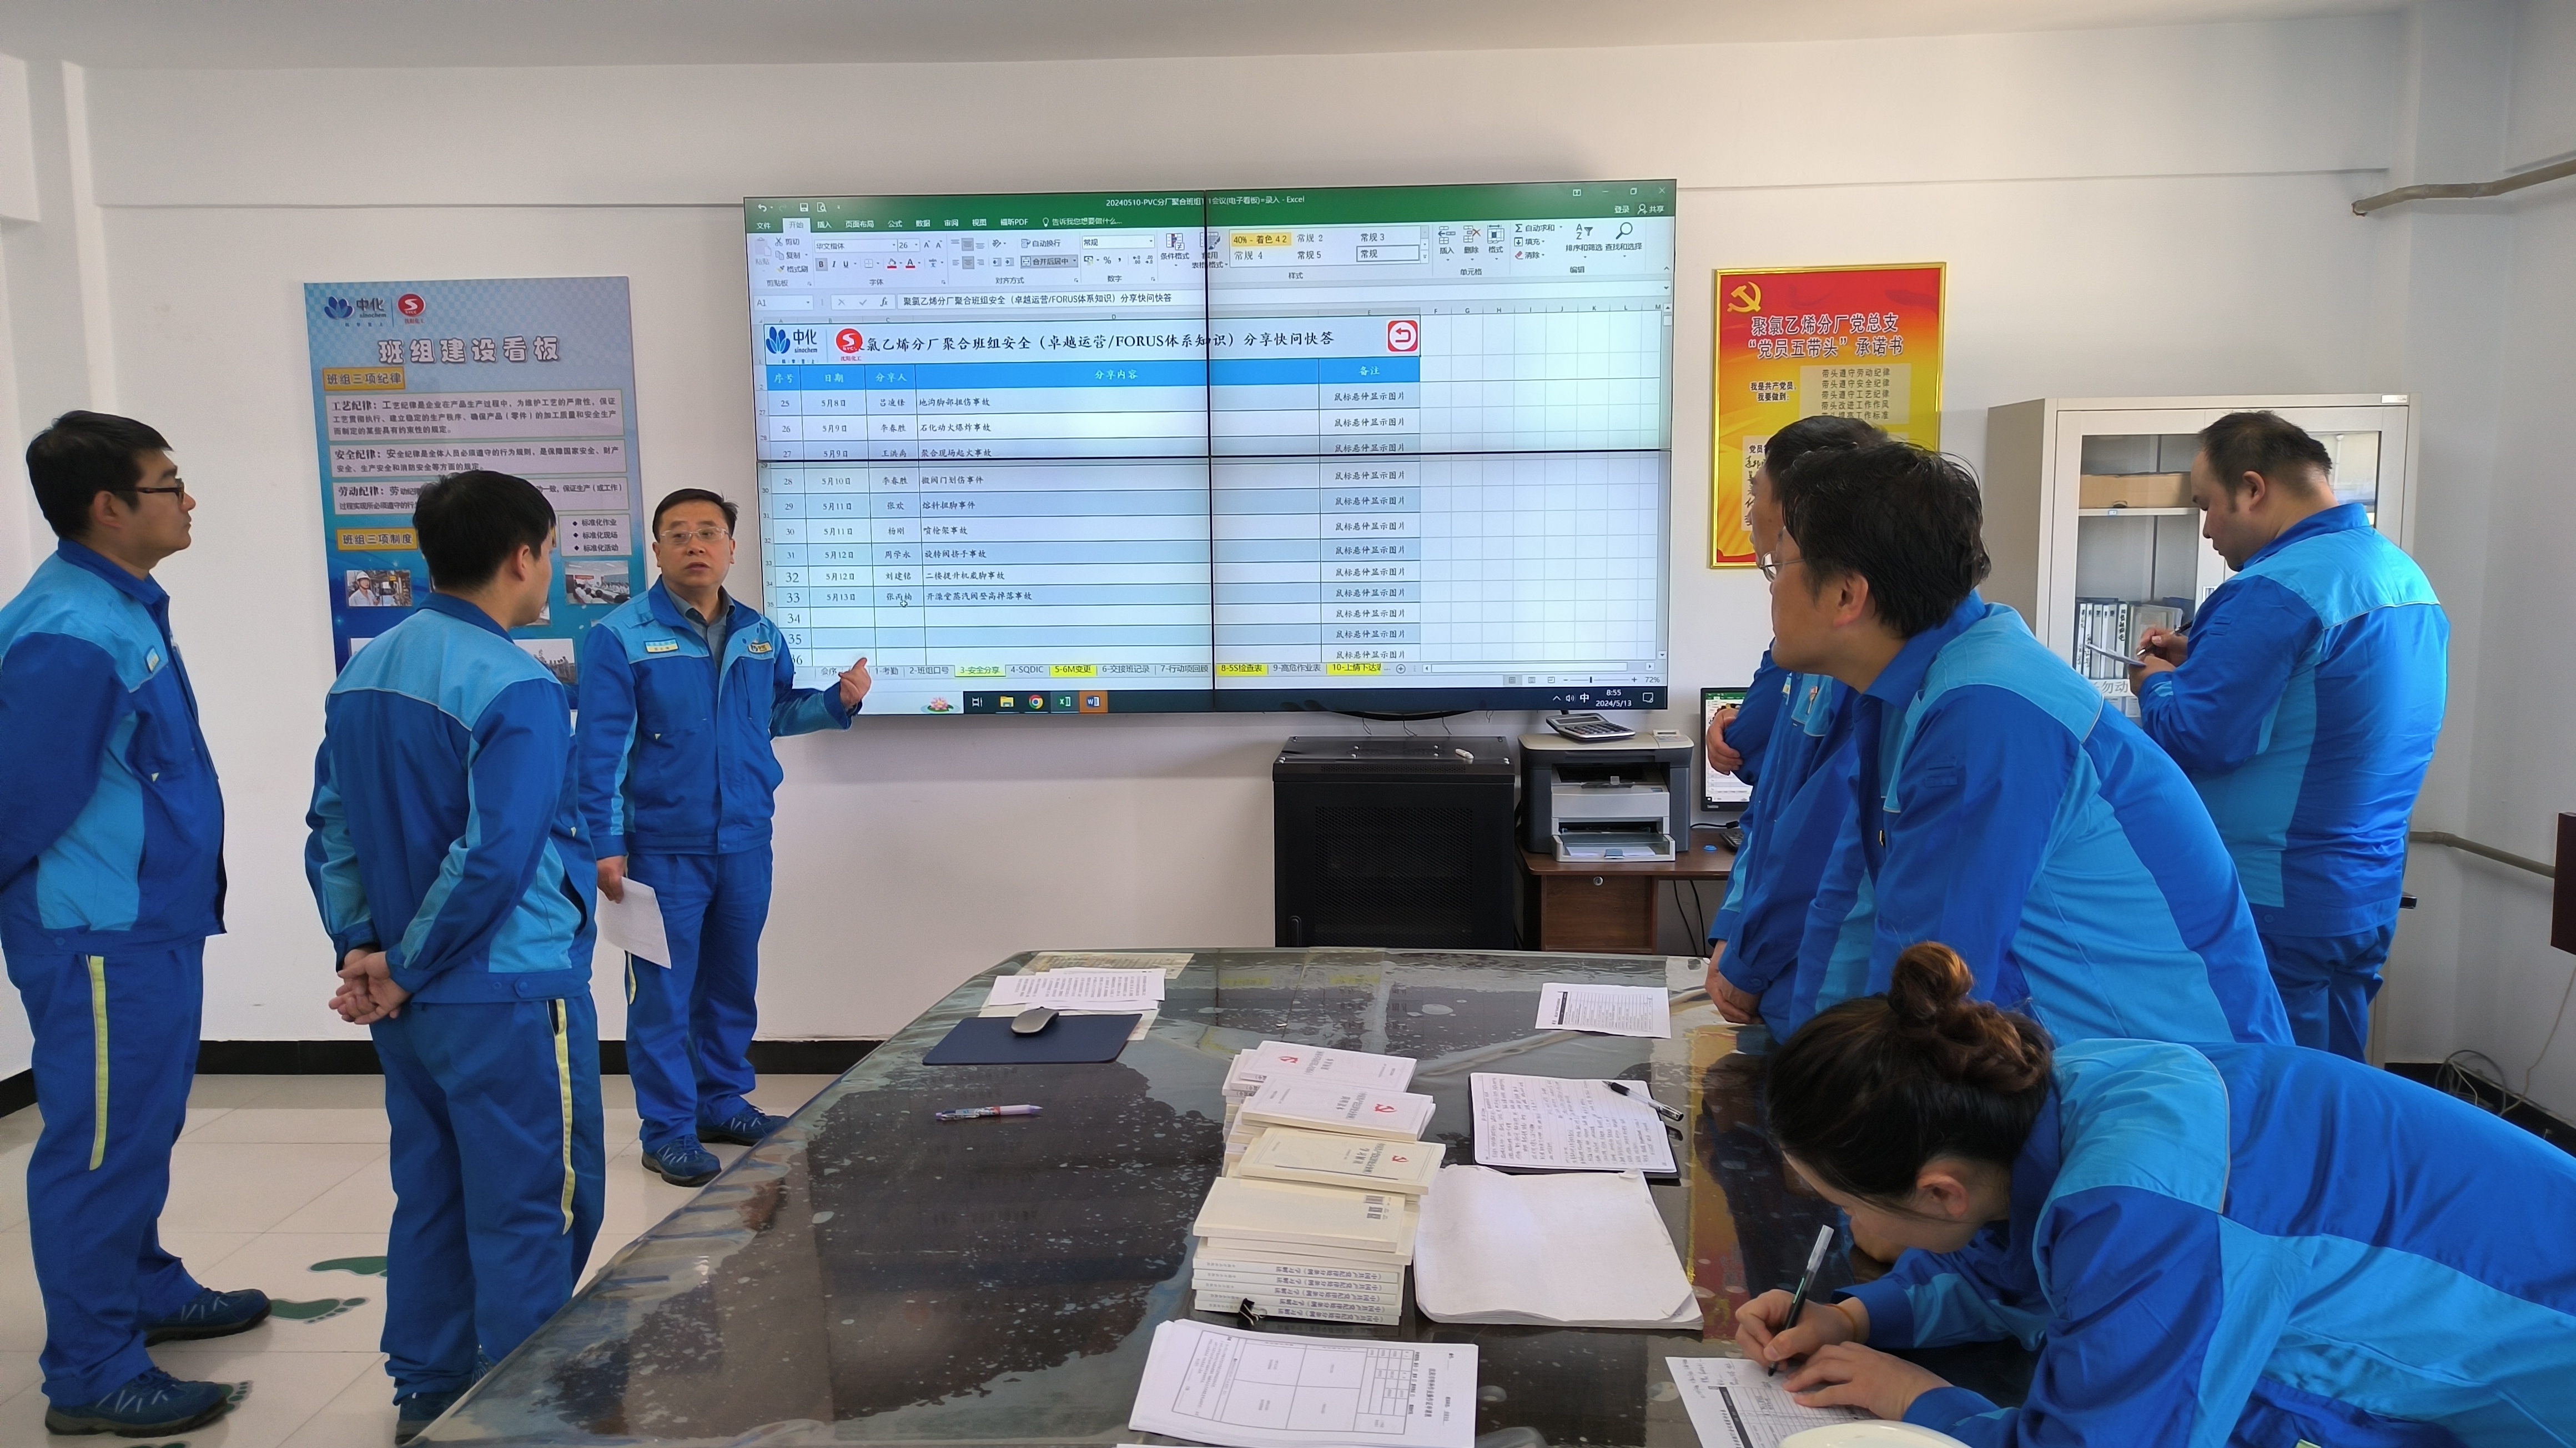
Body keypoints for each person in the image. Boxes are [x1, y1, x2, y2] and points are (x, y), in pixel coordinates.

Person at [1734, 941, 2576, 1444]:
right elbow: (2010, 1260)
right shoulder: (2041, 1094)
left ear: (1938, 1191)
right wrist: (1853, 1317)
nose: (1848, 1222)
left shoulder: (2143, 1210)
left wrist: (1917, 1401)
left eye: (1850, 1204)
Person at [1776, 443, 2290, 1046]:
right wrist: (1805, 1070)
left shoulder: (1985, 714)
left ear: (1846, 595)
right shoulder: (1909, 689)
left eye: (1776, 565)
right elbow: (1852, 909)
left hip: (2179, 1080)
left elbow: (1932, 994)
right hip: (2078, 1063)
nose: (1771, 589)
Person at [304, 469, 605, 1445]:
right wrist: (408, 963)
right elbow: (496, 855)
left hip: (412, 1004)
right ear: (523, 556)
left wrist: (364, 949)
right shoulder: (517, 684)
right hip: (506, 990)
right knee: (537, 1202)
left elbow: (333, 827)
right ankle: (521, 1410)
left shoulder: (364, 675)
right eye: (549, 550)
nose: (549, 567)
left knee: (433, 1190)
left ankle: (429, 1391)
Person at [0, 413, 269, 1436]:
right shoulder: (69, 629)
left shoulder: (117, 605)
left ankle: (143, 1285)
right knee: (100, 1144)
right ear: (109, 506)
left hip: (144, 919)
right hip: (97, 931)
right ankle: (92, 1370)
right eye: (169, 483)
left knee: (138, 1126)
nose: (188, 499)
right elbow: (20, 798)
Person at [2130, 411, 2448, 1060]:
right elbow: (2323, 692)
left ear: (2252, 489)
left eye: (2206, 505)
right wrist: (2208, 655)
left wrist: (2154, 683)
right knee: (2333, 1080)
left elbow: (2196, 738)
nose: (2206, 528)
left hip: (2271, 895)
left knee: (2265, 1085)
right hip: (2362, 891)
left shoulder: (2274, 588)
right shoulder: (2400, 575)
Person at [575, 489, 869, 1186]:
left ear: (732, 548)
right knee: (662, 995)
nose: (695, 544)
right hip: (658, 848)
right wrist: (604, 841)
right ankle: (668, 1130)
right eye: (678, 534)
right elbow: (599, 751)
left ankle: (721, 1102)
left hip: (744, 841)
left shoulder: (760, 633)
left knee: (732, 984)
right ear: (657, 550)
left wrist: (836, 702)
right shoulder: (619, 636)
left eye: (708, 532)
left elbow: (776, 713)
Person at [1703, 415, 1883, 1040]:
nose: (1750, 510)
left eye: (1777, 567)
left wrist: (1747, 961)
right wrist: (1733, 929)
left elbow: (1823, 840)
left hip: (1828, 1000)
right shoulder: (1805, 655)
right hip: (1788, 987)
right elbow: (1771, 808)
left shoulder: (1869, 675)